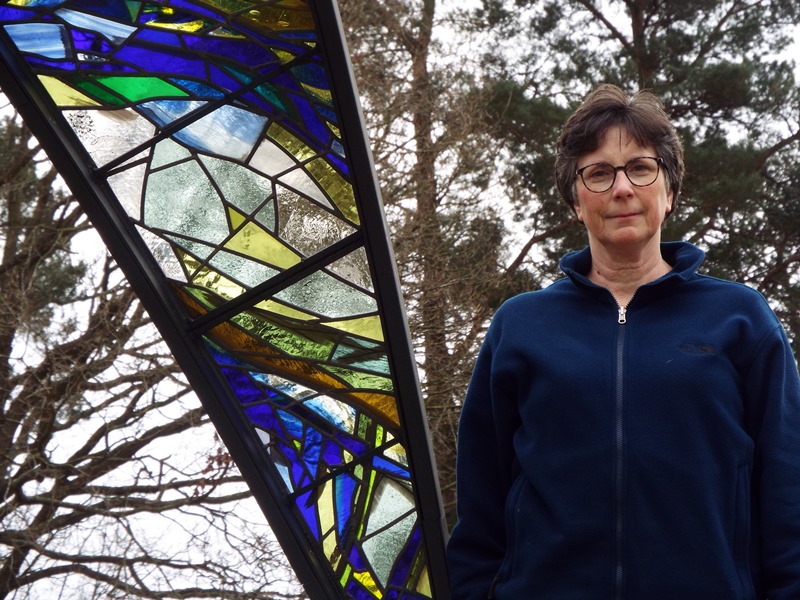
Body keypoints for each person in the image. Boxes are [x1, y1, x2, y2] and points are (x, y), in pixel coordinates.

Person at [445, 83, 800, 599]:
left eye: (640, 167)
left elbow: (788, 488)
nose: (622, 188)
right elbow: (479, 507)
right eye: (598, 173)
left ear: (670, 190)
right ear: (574, 200)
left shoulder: (740, 318)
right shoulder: (520, 326)